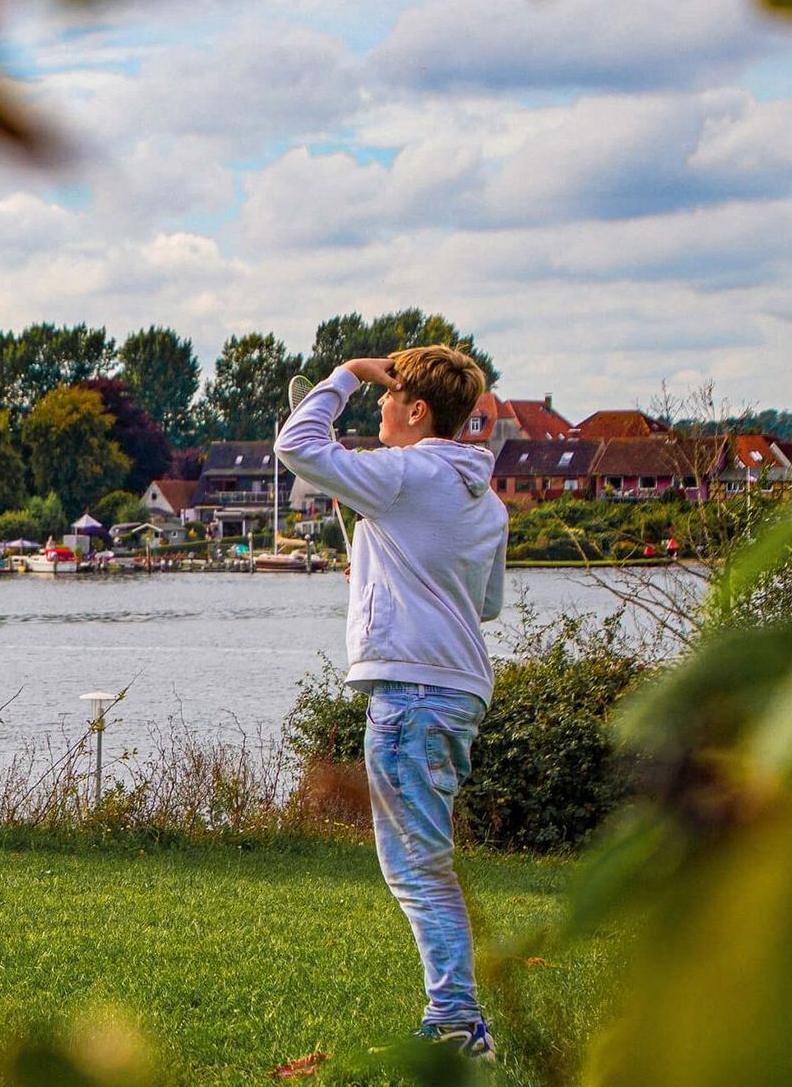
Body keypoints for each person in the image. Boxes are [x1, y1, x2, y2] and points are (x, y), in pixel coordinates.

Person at [275, 345, 506, 1059]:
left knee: (415, 865)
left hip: (410, 691)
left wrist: (346, 372)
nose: (378, 404)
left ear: (416, 410)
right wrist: (387, 552)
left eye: (388, 394)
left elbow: (297, 444)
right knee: (424, 858)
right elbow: (486, 602)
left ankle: (457, 1021)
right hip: (458, 688)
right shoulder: (483, 495)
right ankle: (457, 1016)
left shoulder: (406, 473)